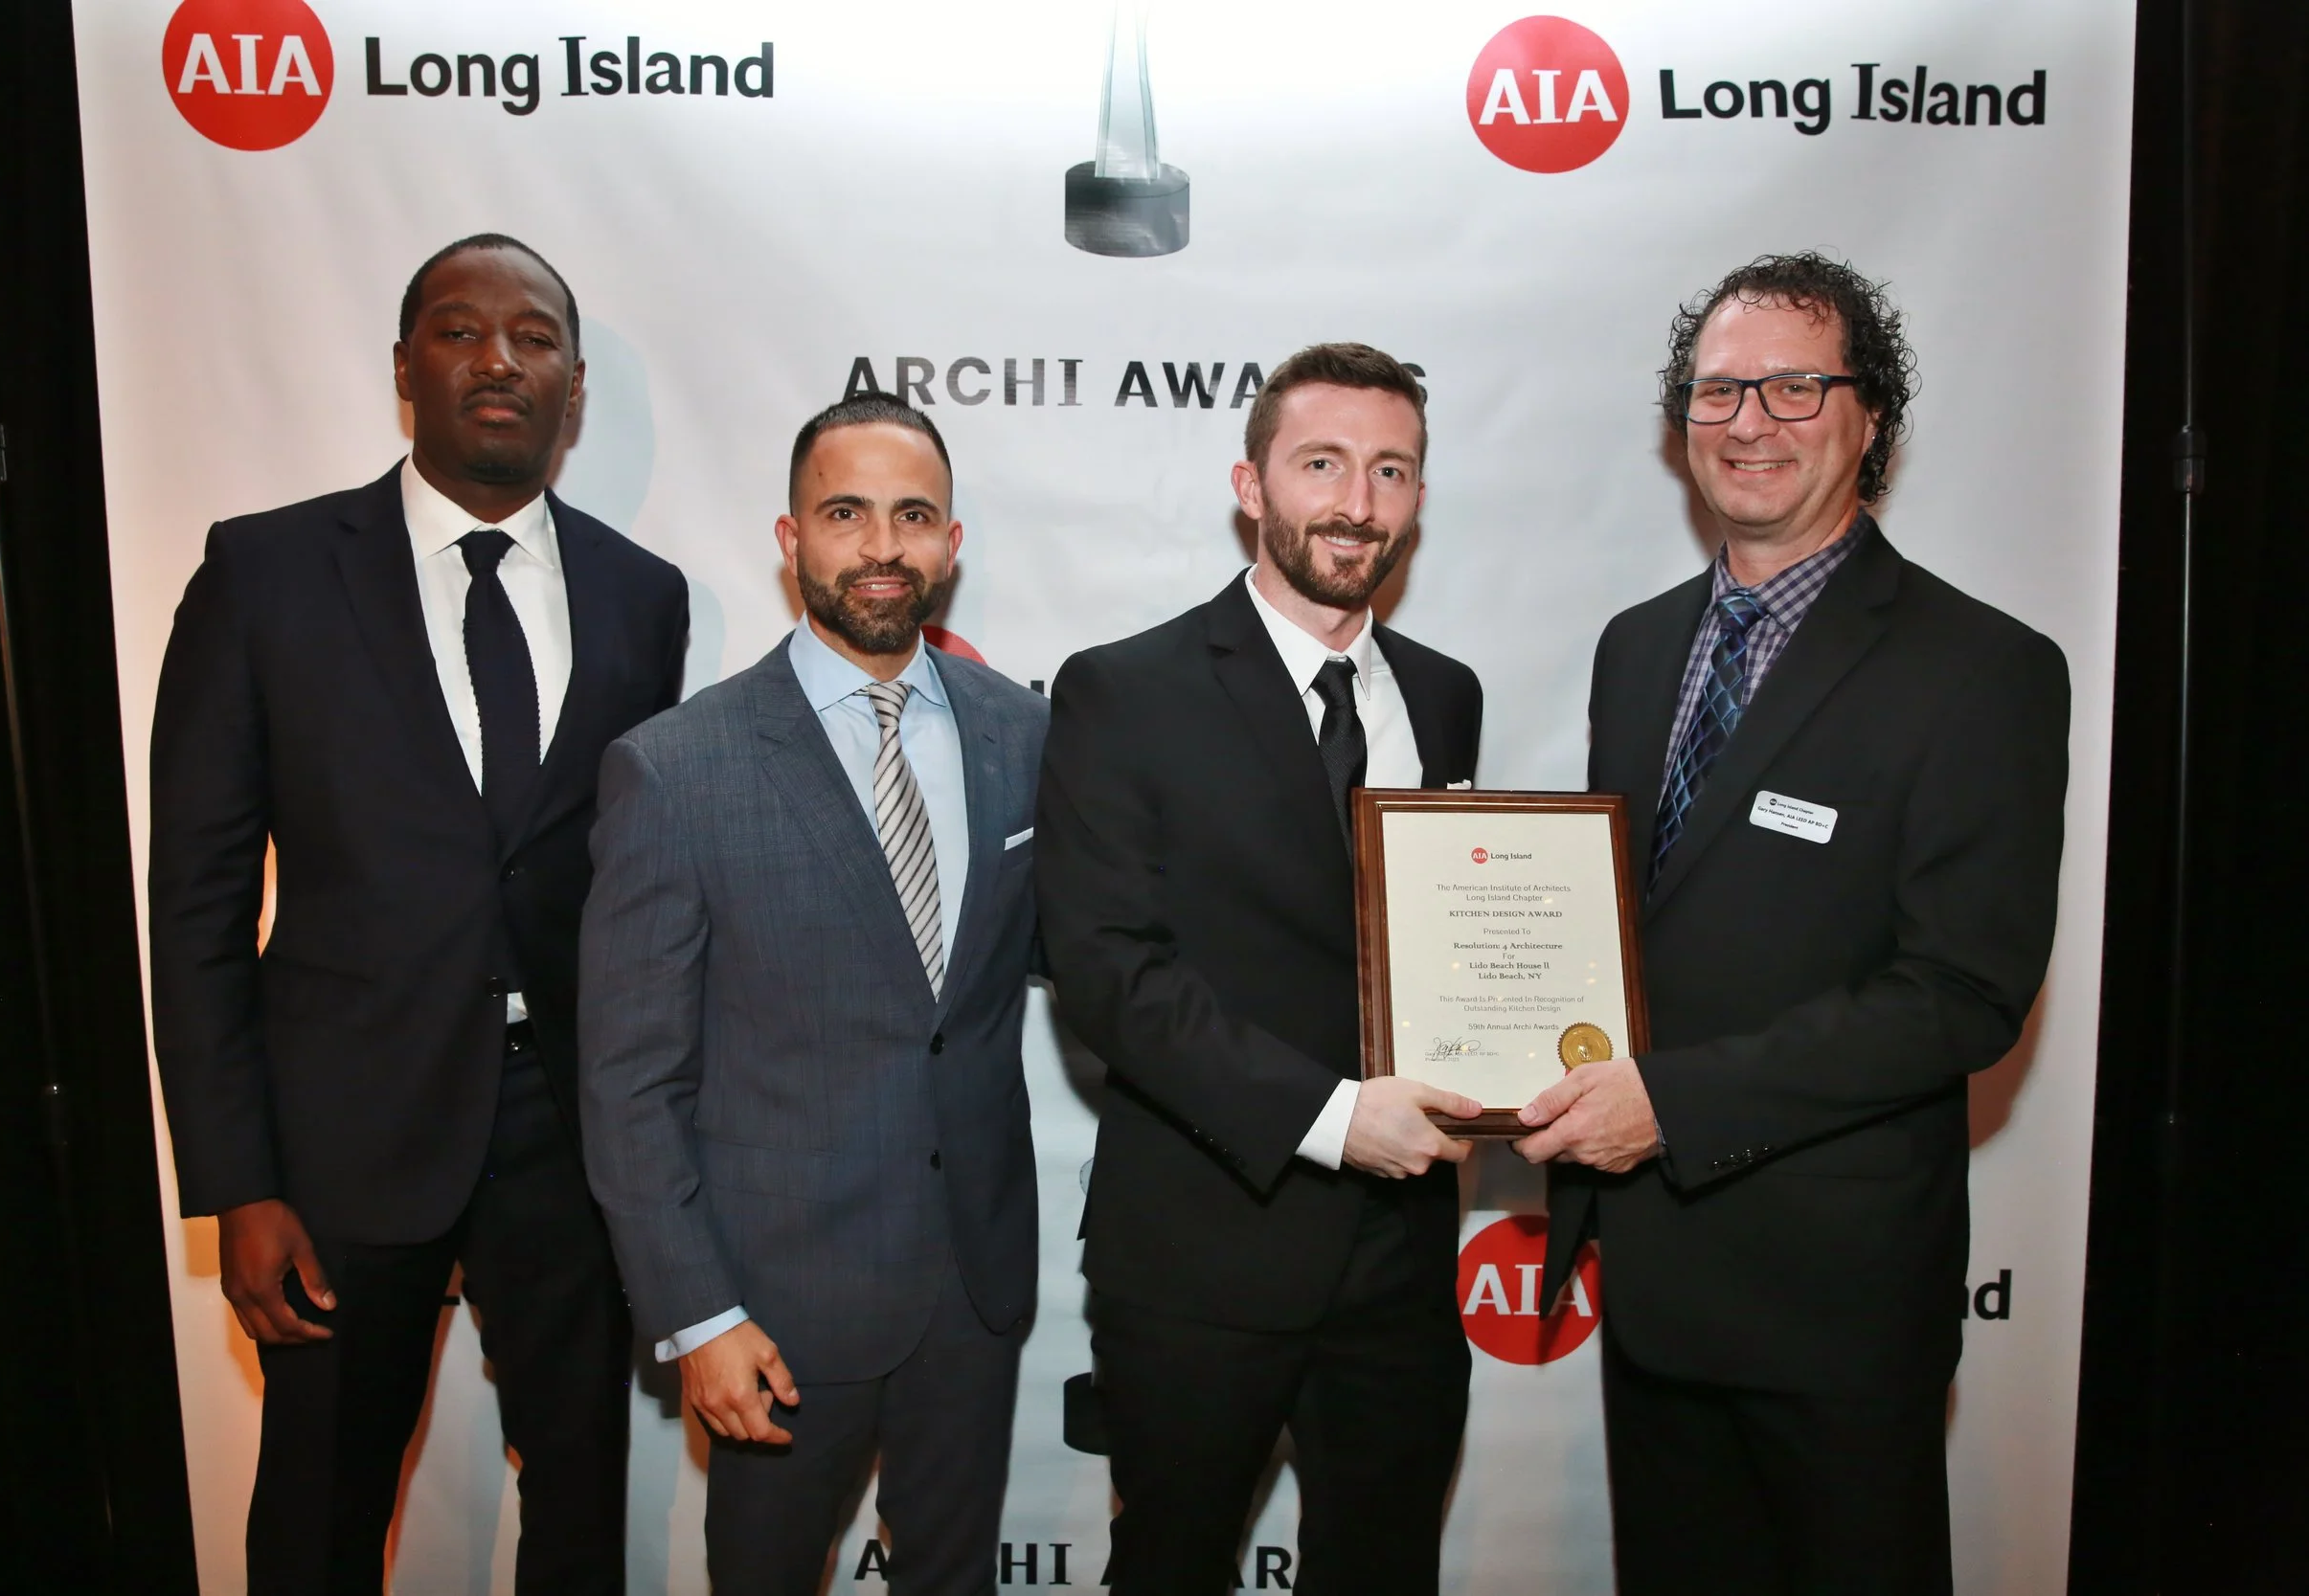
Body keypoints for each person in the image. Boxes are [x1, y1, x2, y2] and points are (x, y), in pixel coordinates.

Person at [1523, 253, 2071, 1594]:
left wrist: (1673, 1103)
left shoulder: (1983, 668)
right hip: (1653, 1273)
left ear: (1869, 414)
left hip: (1836, 1299)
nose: (1749, 421)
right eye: (1718, 391)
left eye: (1793, 386)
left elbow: (1961, 990)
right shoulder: (1635, 646)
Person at [147, 235, 688, 1594]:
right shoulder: (265, 572)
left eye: (535, 337)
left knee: (581, 1501)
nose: (499, 359)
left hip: (570, 1136)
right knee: (321, 1506)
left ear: (574, 387)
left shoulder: (644, 596)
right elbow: (198, 901)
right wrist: (238, 1183)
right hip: (339, 1139)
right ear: (404, 367)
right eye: (459, 330)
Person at [577, 395, 1047, 1595]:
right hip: (773, 1307)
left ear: (951, 543)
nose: (882, 545)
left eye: (913, 516)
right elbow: (629, 1082)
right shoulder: (677, 768)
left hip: (972, 1284)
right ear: (790, 539)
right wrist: (698, 1314)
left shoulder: (1025, 733)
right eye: (846, 513)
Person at [1037, 344, 1484, 1596]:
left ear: (1417, 496)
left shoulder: (1445, 694)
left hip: (1403, 1259)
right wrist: (1335, 1117)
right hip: (1203, 1248)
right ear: (1251, 485)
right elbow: (1108, 972)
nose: (1357, 501)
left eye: (1390, 470)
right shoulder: (1124, 690)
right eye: (1322, 463)